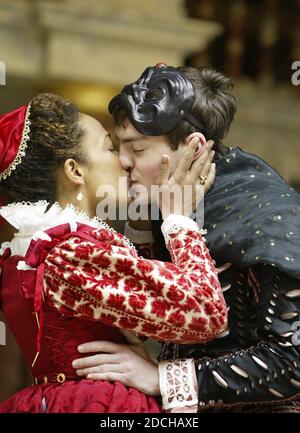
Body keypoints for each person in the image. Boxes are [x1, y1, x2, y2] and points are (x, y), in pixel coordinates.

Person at [74, 64, 300, 413]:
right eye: (119, 147)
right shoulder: (162, 208)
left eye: (137, 150)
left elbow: (294, 357)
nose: (122, 162)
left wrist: (162, 378)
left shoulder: (265, 211)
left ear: (194, 147)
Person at [0, 93, 227, 413]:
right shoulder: (70, 252)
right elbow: (204, 312)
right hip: (101, 405)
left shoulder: (32, 253)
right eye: (109, 147)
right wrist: (179, 219)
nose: (123, 160)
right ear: (74, 170)